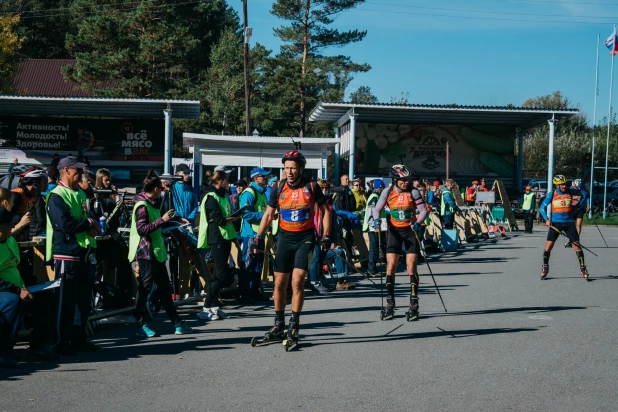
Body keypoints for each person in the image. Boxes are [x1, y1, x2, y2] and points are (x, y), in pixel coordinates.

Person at [250, 150, 331, 346]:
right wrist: (258, 237)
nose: (290, 172)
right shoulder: (277, 187)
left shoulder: (311, 186)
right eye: (286, 168)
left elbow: (325, 210)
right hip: (285, 238)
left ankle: (294, 325)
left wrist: (326, 235)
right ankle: (279, 325)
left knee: (296, 282)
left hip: (305, 238)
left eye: (293, 168)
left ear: (301, 169)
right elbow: (268, 214)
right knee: (279, 284)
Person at [46, 156, 101, 355]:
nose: (80, 173)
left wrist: (93, 225)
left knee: (82, 302)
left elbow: (88, 217)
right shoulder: (56, 195)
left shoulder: (79, 192)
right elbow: (66, 225)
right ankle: (61, 343)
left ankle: (78, 340)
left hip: (84, 252)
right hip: (66, 254)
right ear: (67, 170)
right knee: (65, 302)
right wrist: (88, 224)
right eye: (77, 170)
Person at [128, 170, 193, 337]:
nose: (163, 191)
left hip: (156, 253)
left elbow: (158, 224)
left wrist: (175, 220)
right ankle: (140, 325)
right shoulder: (142, 206)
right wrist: (162, 220)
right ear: (154, 188)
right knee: (145, 289)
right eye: (161, 188)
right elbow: (142, 229)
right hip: (145, 253)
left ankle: (178, 323)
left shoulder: (152, 203)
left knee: (165, 289)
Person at [372, 165, 428, 321]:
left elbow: (423, 210)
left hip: (411, 231)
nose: (406, 182)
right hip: (394, 231)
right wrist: (377, 219)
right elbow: (377, 209)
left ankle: (414, 303)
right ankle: (390, 303)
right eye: (403, 180)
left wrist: (419, 222)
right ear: (395, 180)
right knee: (391, 266)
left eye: (407, 179)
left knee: (411, 266)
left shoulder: (413, 191)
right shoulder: (388, 192)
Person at [197, 171, 241, 320]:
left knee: (216, 275)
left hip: (226, 237)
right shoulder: (211, 197)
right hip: (216, 238)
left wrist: (236, 215)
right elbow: (218, 220)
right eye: (227, 179)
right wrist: (232, 218)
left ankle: (214, 307)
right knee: (222, 275)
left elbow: (227, 215)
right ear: (221, 180)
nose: (229, 182)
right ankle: (205, 308)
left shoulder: (224, 195)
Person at [539, 175, 590, 280]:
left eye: (565, 184)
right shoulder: (552, 194)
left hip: (569, 223)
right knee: (548, 246)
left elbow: (585, 194)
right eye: (561, 184)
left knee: (576, 246)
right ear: (557, 185)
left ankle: (583, 268)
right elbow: (542, 208)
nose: (564, 186)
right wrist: (546, 219)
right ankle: (545, 267)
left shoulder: (570, 191)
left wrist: (579, 206)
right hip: (556, 223)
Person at [309, 179, 355, 292]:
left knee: (334, 254)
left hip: (327, 237)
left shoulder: (329, 202)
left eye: (327, 188)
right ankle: (314, 282)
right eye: (322, 188)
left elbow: (333, 223)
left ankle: (340, 280)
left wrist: (332, 239)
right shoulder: (313, 203)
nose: (324, 190)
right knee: (315, 259)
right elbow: (312, 221)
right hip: (315, 236)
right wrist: (316, 236)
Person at [238, 168, 271, 302]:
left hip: (260, 233)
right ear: (256, 178)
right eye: (263, 177)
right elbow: (244, 214)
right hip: (250, 234)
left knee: (258, 264)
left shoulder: (262, 193)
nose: (266, 179)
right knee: (248, 264)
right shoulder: (249, 193)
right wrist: (264, 216)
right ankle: (245, 294)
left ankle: (254, 291)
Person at [11, 167, 48, 241]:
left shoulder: (34, 196)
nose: (46, 183)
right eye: (43, 181)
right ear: (35, 182)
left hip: (21, 234)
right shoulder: (17, 195)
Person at [363, 178, 387, 276]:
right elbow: (370, 213)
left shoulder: (377, 197)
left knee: (376, 247)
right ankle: (371, 270)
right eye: (383, 188)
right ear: (380, 188)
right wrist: (374, 225)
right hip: (373, 227)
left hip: (377, 226)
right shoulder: (374, 197)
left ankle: (372, 269)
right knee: (374, 248)